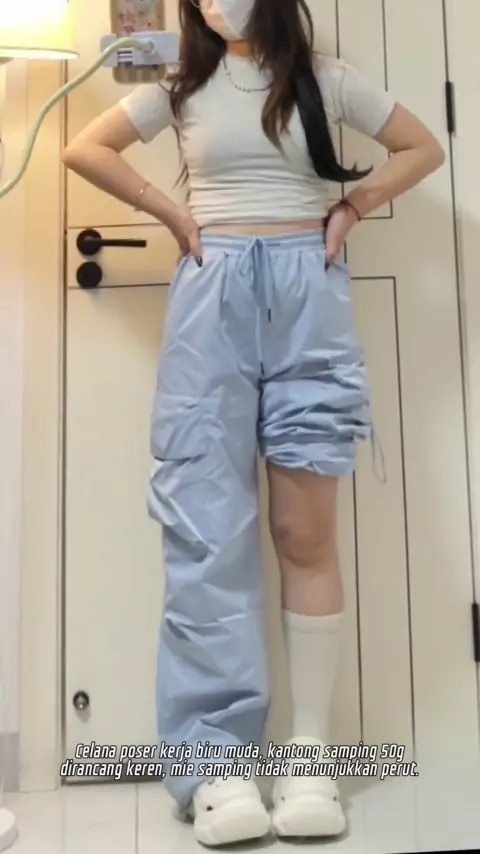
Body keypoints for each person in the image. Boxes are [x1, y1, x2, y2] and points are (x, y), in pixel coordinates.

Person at [62, 0, 444, 846]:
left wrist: (353, 207)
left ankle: (309, 755)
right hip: (214, 292)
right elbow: (84, 147)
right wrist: (170, 212)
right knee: (207, 529)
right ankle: (218, 764)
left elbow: (424, 146)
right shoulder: (181, 85)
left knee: (305, 531)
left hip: (310, 291)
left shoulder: (325, 82)